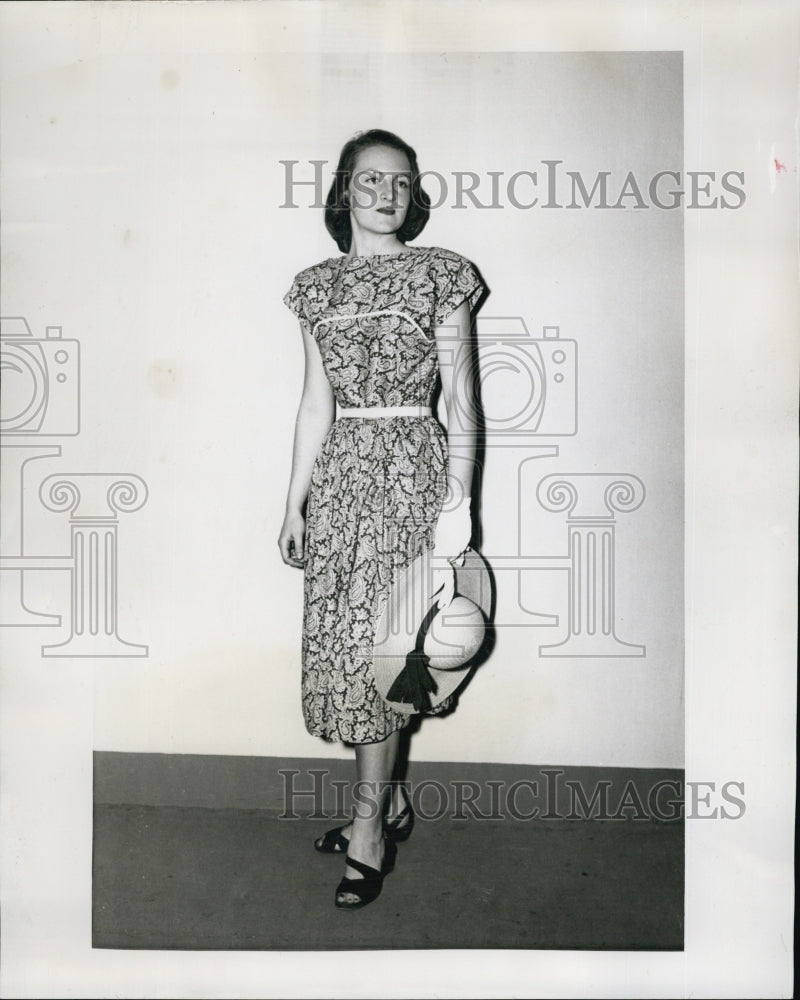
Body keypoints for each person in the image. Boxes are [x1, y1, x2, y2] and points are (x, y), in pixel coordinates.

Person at [278, 128, 485, 909]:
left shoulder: (442, 275)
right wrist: (294, 501)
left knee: (388, 652)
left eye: (402, 182)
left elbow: (462, 400)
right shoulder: (315, 288)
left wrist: (459, 505)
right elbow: (315, 403)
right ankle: (388, 803)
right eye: (371, 180)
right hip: (342, 484)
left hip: (412, 479)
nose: (388, 194)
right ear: (344, 190)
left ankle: (368, 832)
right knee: (350, 646)